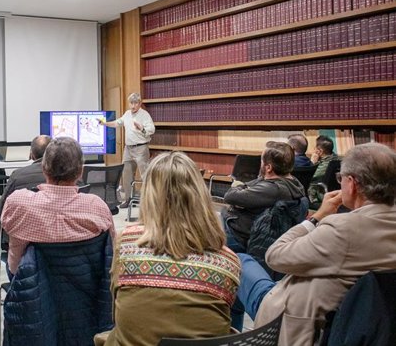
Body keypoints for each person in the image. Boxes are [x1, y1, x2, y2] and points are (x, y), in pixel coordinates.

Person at [233, 142, 396, 345]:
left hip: (291, 323)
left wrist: (317, 217)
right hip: (356, 323)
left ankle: (236, 334)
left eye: (341, 179)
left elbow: (275, 255)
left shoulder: (343, 229)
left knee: (239, 261)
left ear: (353, 184)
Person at [95, 152, 241, 345]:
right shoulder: (228, 261)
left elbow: (118, 312)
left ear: (149, 196)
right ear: (200, 195)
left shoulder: (126, 243)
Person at [1, 137, 115, 275]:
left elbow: (14, 265)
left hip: (31, 287)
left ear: (43, 169)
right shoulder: (97, 207)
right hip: (87, 290)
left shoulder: (18, 203)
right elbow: (112, 254)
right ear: (80, 172)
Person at [222, 141, 305, 253]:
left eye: (261, 160)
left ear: (269, 167)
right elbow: (254, 183)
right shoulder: (294, 183)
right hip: (253, 231)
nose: (260, 163)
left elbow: (229, 196)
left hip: (238, 236)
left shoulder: (272, 189)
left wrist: (239, 185)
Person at [0, 135, 51, 261]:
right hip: (54, 234)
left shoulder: (18, 175)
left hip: (20, 233)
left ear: (31, 155)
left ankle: (18, 265)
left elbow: (1, 209)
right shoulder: (67, 177)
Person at [99, 93, 155, 207]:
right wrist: (104, 124)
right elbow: (117, 123)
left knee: (145, 174)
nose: (133, 106)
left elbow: (151, 130)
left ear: (140, 104)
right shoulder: (127, 114)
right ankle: (128, 199)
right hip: (128, 149)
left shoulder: (145, 115)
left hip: (141, 148)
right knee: (126, 173)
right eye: (131, 103)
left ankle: (149, 200)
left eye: (135, 103)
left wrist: (142, 128)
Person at [308, 135, 340, 207]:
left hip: (320, 195)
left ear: (320, 151)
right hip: (332, 193)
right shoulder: (335, 159)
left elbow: (310, 177)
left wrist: (312, 163)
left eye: (315, 148)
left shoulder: (324, 165)